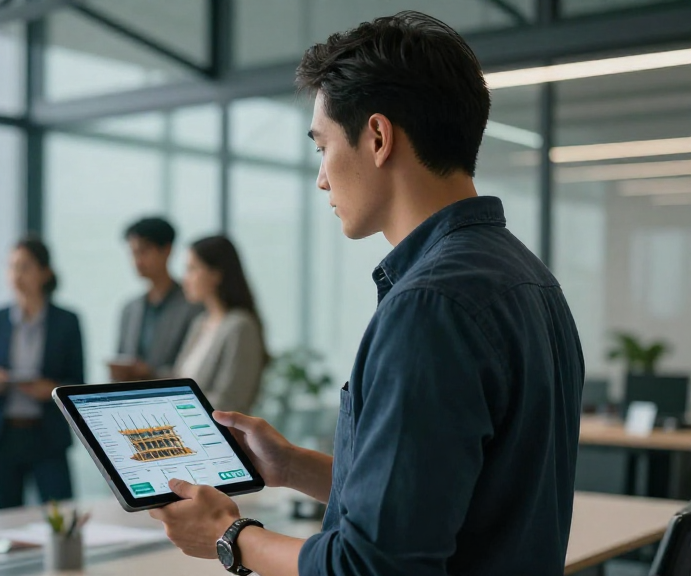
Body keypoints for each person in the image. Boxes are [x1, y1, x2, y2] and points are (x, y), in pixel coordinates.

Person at [149, 12, 584, 576]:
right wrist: (292, 467)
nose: (322, 178)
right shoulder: (528, 278)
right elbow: (443, 497)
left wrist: (229, 537)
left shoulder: (430, 306)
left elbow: (375, 565)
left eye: (322, 146)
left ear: (377, 137)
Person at [0, 237, 84, 509]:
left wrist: (51, 390)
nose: (16, 275)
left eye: (24, 267)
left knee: (61, 517)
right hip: (4, 437)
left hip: (47, 436)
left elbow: (78, 385)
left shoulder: (66, 322)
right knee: (5, 521)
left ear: (44, 272)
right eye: (11, 267)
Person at [171, 236, 267, 415]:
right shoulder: (200, 323)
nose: (185, 279)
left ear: (216, 274)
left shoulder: (240, 326)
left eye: (192, 269)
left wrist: (177, 408)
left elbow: (232, 401)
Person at [110, 217, 200, 382]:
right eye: (133, 253)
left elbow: (196, 365)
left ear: (166, 250)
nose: (137, 261)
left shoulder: (193, 306)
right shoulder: (130, 309)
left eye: (143, 252)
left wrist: (151, 372)